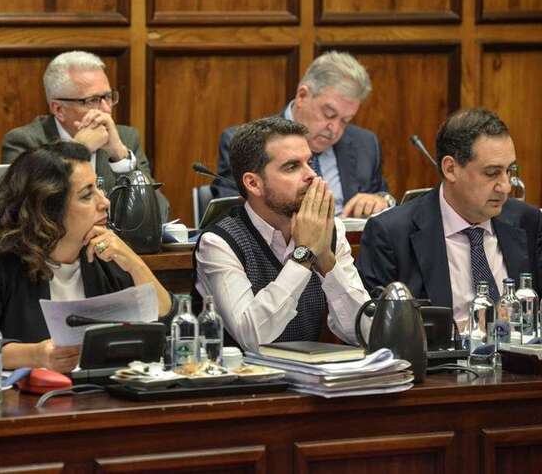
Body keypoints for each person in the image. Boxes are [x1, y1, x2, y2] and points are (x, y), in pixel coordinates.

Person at [0, 142, 173, 373]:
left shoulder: (107, 254)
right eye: (87, 195)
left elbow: (169, 325)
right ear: (49, 208)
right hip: (31, 393)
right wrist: (37, 355)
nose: (105, 202)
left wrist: (135, 264)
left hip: (106, 389)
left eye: (98, 188)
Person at [194, 116, 369, 353]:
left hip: (310, 372)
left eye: (310, 162)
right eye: (292, 167)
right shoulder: (219, 243)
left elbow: (365, 332)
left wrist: (327, 261)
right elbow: (253, 339)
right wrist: (304, 255)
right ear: (253, 184)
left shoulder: (329, 229)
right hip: (241, 375)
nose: (311, 175)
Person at [356, 108, 542, 328]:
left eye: (509, 171)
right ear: (450, 168)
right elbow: (376, 328)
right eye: (492, 173)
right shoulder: (390, 234)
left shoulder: (528, 221)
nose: (506, 186)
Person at [212, 51, 392, 218]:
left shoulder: (365, 144)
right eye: (329, 114)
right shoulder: (246, 143)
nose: (335, 129)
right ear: (302, 95)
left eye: (346, 120)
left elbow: (384, 201)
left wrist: (382, 201)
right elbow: (231, 216)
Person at [1, 50, 169, 219]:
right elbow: (22, 215)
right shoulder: (26, 142)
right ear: (58, 109)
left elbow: (160, 214)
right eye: (92, 100)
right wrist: (77, 149)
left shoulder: (125, 138)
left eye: (108, 97)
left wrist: (120, 158)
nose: (106, 109)